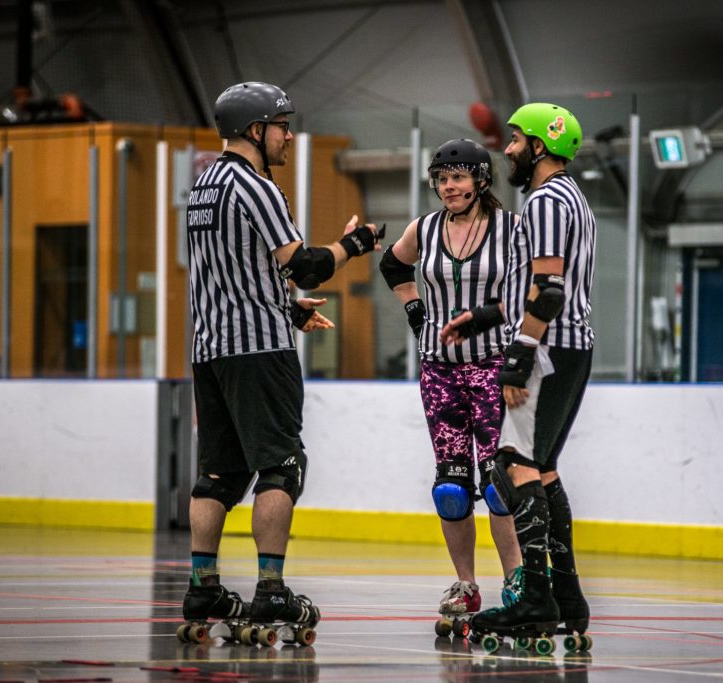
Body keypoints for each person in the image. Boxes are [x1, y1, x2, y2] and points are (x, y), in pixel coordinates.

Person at [182, 81, 382, 632]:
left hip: (209, 348)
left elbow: (230, 272)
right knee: (282, 464)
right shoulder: (256, 187)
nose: (288, 136)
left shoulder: (201, 186)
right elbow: (307, 265)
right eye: (281, 125)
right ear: (254, 130)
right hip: (259, 349)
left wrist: (287, 309)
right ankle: (271, 590)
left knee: (218, 474)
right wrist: (357, 244)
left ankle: (203, 591)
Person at [442, 103, 595, 645]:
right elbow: (537, 290)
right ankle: (568, 596)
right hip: (570, 345)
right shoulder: (568, 198)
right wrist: (484, 315)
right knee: (544, 467)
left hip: (550, 349)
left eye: (515, 139)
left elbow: (549, 290)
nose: (507, 149)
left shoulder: (546, 201)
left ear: (540, 145)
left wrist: (520, 354)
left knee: (513, 464)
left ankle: (534, 596)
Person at [379, 139, 522, 632]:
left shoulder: (511, 230)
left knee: (499, 484)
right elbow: (392, 265)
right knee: (451, 488)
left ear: (481, 180)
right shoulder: (425, 228)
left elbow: (532, 290)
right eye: (442, 179)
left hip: (493, 366)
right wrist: (415, 310)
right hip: (439, 370)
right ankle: (466, 584)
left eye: (458, 177)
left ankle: (517, 581)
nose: (449, 186)